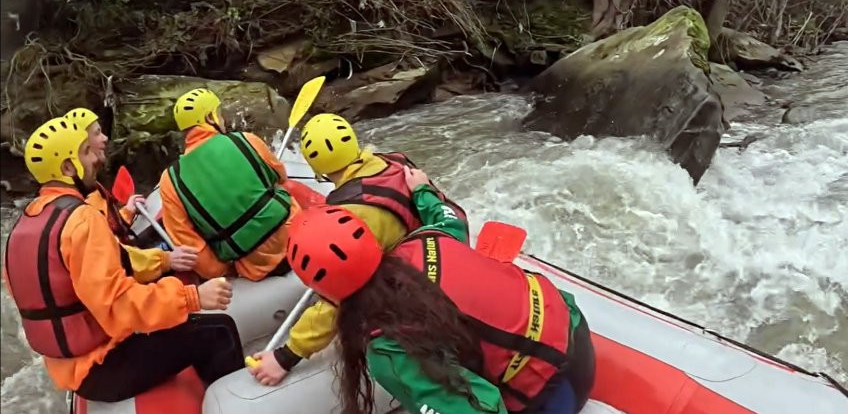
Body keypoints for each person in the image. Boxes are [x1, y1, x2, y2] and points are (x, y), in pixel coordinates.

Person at [283, 167, 596, 414]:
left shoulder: (388, 347)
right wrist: (423, 190)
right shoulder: (426, 238)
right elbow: (450, 217)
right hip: (574, 325)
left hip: (556, 393)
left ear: (324, 292)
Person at [2, 116, 243, 402]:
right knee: (219, 332)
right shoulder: (81, 220)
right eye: (86, 152)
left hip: (70, 368)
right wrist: (192, 298)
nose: (96, 158)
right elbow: (118, 305)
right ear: (68, 167)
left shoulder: (23, 225)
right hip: (104, 366)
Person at [249, 113, 469, 385]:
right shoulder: (394, 160)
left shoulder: (353, 217)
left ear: (318, 171)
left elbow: (337, 300)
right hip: (440, 251)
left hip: (423, 288)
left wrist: (287, 355)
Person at [159, 88, 300, 281]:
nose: (223, 119)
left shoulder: (170, 181)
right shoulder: (246, 140)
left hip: (254, 267)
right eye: (219, 114)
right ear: (209, 118)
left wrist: (224, 271)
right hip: (299, 236)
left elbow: (193, 249)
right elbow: (280, 176)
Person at [65, 107, 199, 279]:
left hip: (129, 258)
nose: (105, 138)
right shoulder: (83, 204)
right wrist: (165, 260)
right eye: (97, 133)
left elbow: (108, 228)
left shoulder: (90, 186)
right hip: (127, 270)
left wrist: (127, 212)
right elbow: (116, 255)